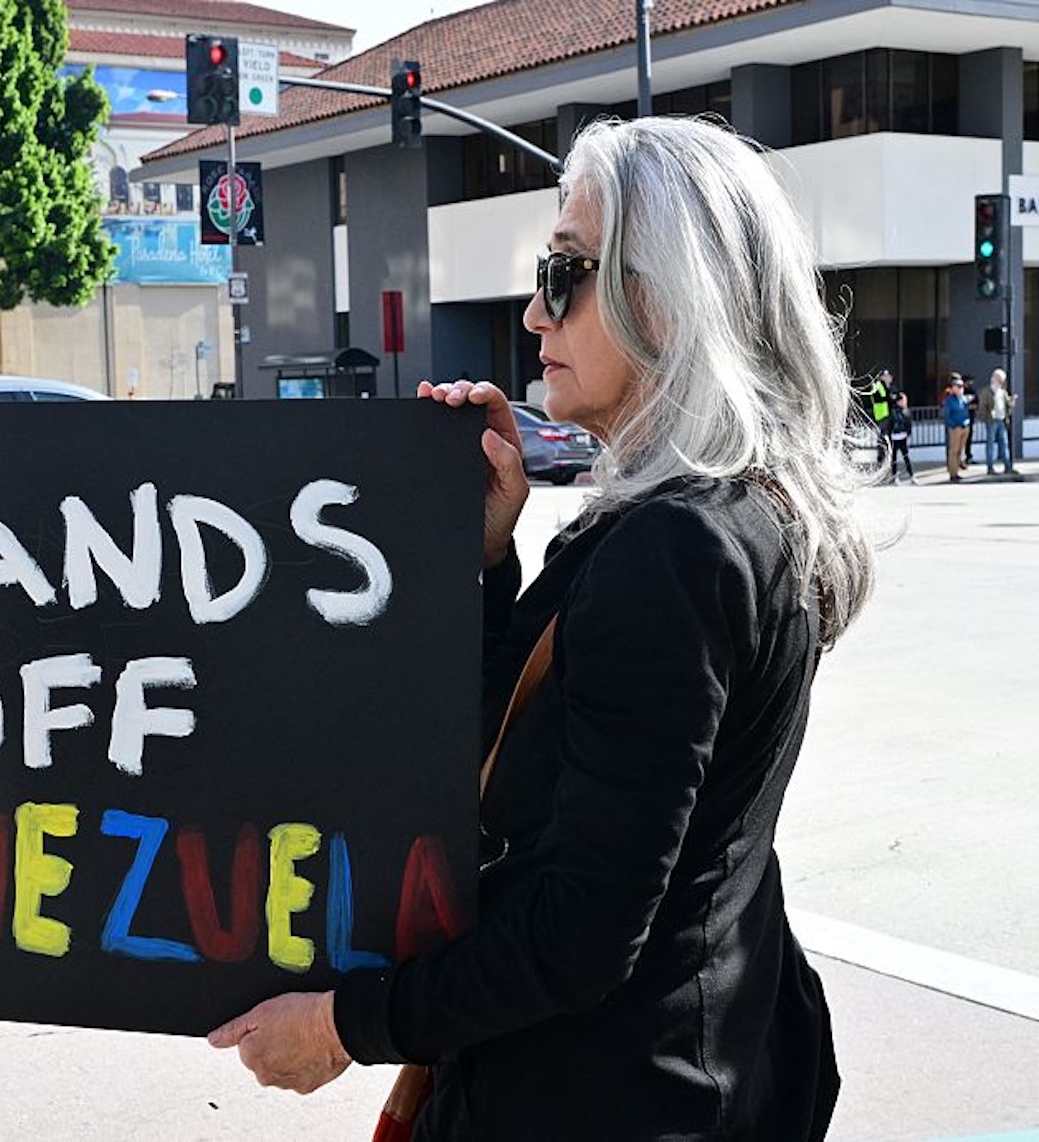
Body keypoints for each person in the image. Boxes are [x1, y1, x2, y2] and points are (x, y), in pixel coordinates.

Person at [206, 117, 873, 1141]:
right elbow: (518, 771)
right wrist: (483, 561)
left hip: (602, 1096)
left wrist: (349, 1022)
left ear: (669, 293)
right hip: (698, 1067)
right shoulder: (739, 517)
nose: (531, 312)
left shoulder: (674, 550)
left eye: (565, 272)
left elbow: (580, 926)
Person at [983, 367, 1016, 475]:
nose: (1001, 382)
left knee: (1004, 443)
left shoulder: (1002, 392)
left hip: (1001, 420)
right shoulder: (987, 392)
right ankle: (990, 467)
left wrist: (1012, 401)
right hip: (992, 421)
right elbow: (982, 407)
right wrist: (986, 418)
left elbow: (1008, 405)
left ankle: (1008, 466)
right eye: (1000, 380)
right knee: (991, 444)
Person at [943, 373, 972, 483]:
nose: (960, 389)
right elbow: (947, 415)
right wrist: (953, 426)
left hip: (964, 426)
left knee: (960, 450)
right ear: (953, 388)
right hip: (956, 427)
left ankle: (957, 471)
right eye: (958, 387)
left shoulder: (963, 399)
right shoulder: (950, 400)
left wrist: (967, 423)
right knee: (953, 451)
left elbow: (966, 410)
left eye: (961, 387)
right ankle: (953, 473)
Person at [889, 391, 914, 483]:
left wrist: (908, 433)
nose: (904, 402)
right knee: (894, 458)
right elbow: (891, 424)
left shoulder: (906, 411)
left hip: (903, 436)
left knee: (905, 456)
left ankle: (911, 475)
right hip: (895, 436)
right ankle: (895, 476)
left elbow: (909, 424)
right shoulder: (894, 412)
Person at [960, 374, 979, 467]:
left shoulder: (972, 391)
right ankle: (961, 459)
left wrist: (971, 407)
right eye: (969, 381)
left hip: (970, 417)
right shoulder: (961, 391)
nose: (970, 383)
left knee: (969, 437)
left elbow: (977, 403)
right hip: (961, 419)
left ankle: (968, 456)